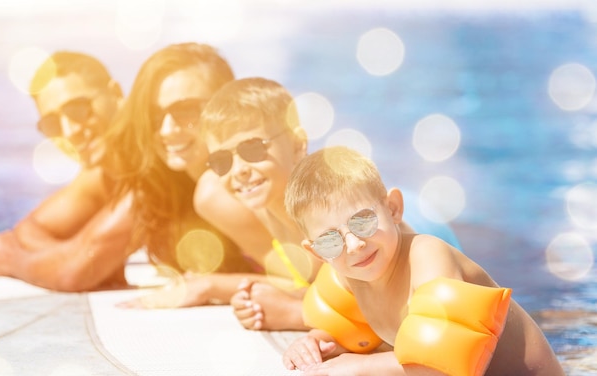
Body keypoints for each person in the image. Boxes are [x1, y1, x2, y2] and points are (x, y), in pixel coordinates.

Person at [282, 146, 565, 375]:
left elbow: (443, 365)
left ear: (393, 209)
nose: (354, 245)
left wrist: (362, 367)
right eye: (331, 240)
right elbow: (350, 333)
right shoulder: (348, 275)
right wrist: (316, 343)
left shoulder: (428, 258)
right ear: (317, 252)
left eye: (363, 222)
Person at [200, 77, 429, 331]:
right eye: (222, 161)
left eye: (253, 149)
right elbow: (320, 287)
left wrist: (294, 313)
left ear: (298, 144)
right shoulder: (263, 206)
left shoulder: (334, 213)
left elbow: (401, 315)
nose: (239, 170)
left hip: (420, 228)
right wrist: (253, 296)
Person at [103, 43, 276, 308]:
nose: (167, 129)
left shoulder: (218, 189)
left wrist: (209, 286)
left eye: (186, 111)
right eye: (154, 115)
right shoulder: (180, 187)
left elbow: (306, 282)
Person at [0, 51, 134, 291]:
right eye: (53, 124)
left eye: (77, 109)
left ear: (116, 94)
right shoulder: (105, 173)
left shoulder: (154, 163)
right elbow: (29, 230)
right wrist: (69, 255)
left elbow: (74, 274)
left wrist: (11, 260)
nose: (69, 132)